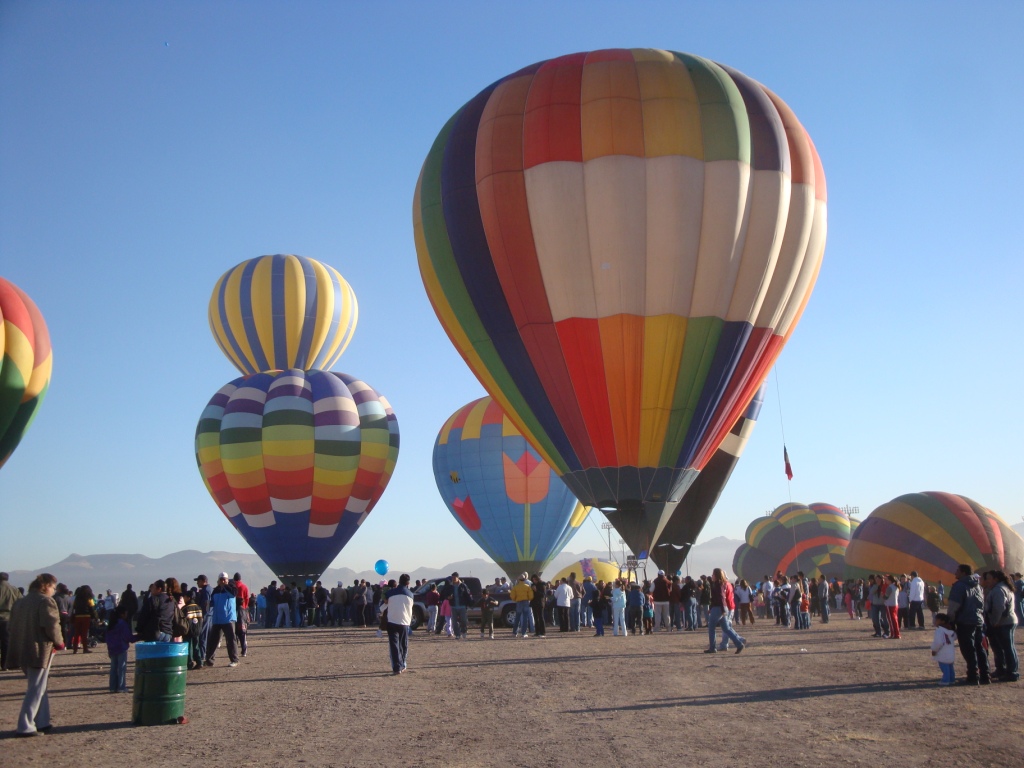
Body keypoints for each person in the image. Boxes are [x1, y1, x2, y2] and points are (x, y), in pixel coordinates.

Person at [8, 573, 64, 736]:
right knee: (36, 688)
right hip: (39, 649)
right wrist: (59, 642)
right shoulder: (45, 601)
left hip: (21, 648)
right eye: (53, 587)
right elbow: (52, 625)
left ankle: (42, 721)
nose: (54, 591)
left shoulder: (20, 602)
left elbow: (11, 626)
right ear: (46, 586)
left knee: (40, 686)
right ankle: (25, 725)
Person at [946, 564, 990, 685]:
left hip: (965, 621)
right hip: (978, 620)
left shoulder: (959, 586)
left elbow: (954, 605)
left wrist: (950, 620)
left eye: (957, 571)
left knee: (968, 649)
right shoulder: (978, 586)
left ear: (963, 573)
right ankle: (985, 674)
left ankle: (973, 675)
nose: (955, 573)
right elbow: (981, 604)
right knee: (979, 647)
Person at [982, 570, 1018, 682]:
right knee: (1004, 648)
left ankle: (1011, 672)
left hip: (1003, 622)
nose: (986, 581)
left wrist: (995, 621)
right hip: (1007, 621)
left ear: (996, 579)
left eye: (988, 578)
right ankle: (1003, 670)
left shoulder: (998, 590)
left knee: (1007, 648)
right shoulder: (1003, 588)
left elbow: (999, 607)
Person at [705, 568, 744, 654]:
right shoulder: (721, 584)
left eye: (713, 574)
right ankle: (739, 644)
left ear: (716, 575)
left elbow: (721, 597)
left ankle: (712, 647)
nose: (712, 576)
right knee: (726, 628)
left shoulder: (718, 584)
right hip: (722, 608)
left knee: (711, 628)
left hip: (718, 608)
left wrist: (721, 609)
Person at [204, 573, 240, 667]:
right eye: (221, 579)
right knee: (213, 640)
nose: (223, 581)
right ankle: (209, 660)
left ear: (227, 580)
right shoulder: (216, 590)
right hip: (217, 619)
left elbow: (233, 595)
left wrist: (226, 586)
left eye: (224, 579)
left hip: (228, 618)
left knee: (231, 640)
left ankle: (234, 660)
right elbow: (212, 602)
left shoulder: (232, 588)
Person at [383, 575, 414, 674]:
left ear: (399, 581)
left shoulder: (390, 593)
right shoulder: (410, 594)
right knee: (403, 645)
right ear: (408, 583)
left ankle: (397, 667)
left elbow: (383, 604)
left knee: (394, 645)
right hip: (405, 622)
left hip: (392, 621)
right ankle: (403, 664)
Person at [105, 605, 134, 692]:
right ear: (122, 614)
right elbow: (128, 637)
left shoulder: (112, 624)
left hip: (112, 648)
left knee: (113, 668)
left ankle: (113, 687)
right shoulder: (123, 624)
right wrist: (138, 637)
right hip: (121, 648)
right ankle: (121, 687)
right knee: (121, 668)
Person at [442, 573, 472, 640]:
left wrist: (470, 603)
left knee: (463, 621)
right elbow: (445, 595)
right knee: (454, 622)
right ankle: (457, 634)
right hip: (453, 606)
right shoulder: (450, 586)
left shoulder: (463, 586)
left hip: (462, 606)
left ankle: (463, 632)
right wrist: (448, 597)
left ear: (458, 578)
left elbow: (468, 594)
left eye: (454, 577)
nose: (453, 579)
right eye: (452, 578)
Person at [0, 571, 21, 671]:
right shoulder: (14, 589)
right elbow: (21, 602)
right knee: (6, 642)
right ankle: (4, 664)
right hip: (8, 618)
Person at [930, 612, 957, 686]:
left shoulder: (939, 631)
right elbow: (954, 637)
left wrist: (934, 650)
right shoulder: (950, 630)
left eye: (936, 620)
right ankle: (952, 679)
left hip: (942, 652)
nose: (935, 621)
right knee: (950, 666)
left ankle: (945, 680)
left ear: (942, 621)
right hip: (950, 651)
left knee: (944, 667)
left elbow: (938, 642)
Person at [71, 585, 97, 653]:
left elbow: (74, 607)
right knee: (84, 633)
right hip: (86, 616)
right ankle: (85, 649)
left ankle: (75, 649)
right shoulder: (89, 598)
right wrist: (95, 617)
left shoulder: (77, 598)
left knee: (76, 633)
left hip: (77, 617)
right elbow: (92, 609)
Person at [509, 573, 533, 639]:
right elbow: (531, 595)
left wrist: (515, 599)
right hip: (526, 602)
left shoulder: (516, 587)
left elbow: (512, 595)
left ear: (519, 579)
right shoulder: (527, 586)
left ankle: (514, 632)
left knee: (517, 617)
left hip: (518, 602)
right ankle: (524, 633)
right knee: (525, 617)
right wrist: (528, 599)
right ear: (525, 579)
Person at [232, 572, 250, 657]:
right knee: (242, 631)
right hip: (243, 610)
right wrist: (245, 607)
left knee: (234, 632)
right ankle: (244, 650)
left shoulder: (232, 586)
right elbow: (247, 598)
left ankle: (234, 650)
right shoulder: (244, 586)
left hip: (233, 609)